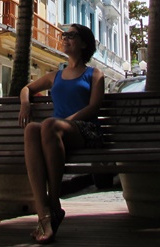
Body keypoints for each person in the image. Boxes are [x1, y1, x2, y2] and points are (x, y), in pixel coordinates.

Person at [18, 24, 104, 244]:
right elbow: (26, 88)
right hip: (55, 131)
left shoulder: (94, 74)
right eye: (64, 35)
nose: (65, 38)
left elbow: (94, 107)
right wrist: (25, 104)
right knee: (31, 128)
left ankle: (54, 201)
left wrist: (66, 122)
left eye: (71, 36)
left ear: (84, 43)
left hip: (84, 129)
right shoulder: (55, 75)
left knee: (47, 125)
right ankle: (43, 213)